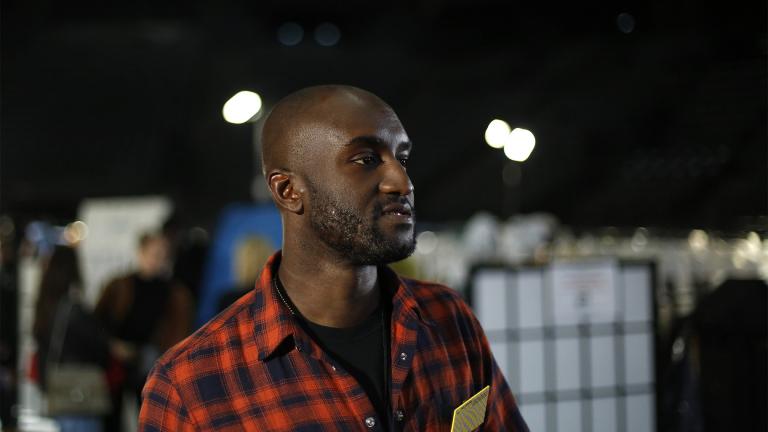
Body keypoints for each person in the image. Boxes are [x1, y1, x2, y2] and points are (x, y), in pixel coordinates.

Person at [139, 85, 529, 431]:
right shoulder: (192, 385)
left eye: (402, 158)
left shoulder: (448, 320)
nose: (402, 181)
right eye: (365, 160)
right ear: (288, 190)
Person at [95, 231, 193, 429]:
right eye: (153, 253)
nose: (157, 259)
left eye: (162, 254)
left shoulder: (175, 292)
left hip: (152, 361)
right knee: (111, 418)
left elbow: (179, 329)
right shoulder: (118, 285)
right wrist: (113, 345)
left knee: (152, 418)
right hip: (116, 361)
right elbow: (98, 321)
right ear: (140, 252)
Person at [32, 245, 109, 432]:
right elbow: (99, 348)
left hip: (56, 390)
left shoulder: (45, 305)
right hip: (80, 393)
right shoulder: (73, 309)